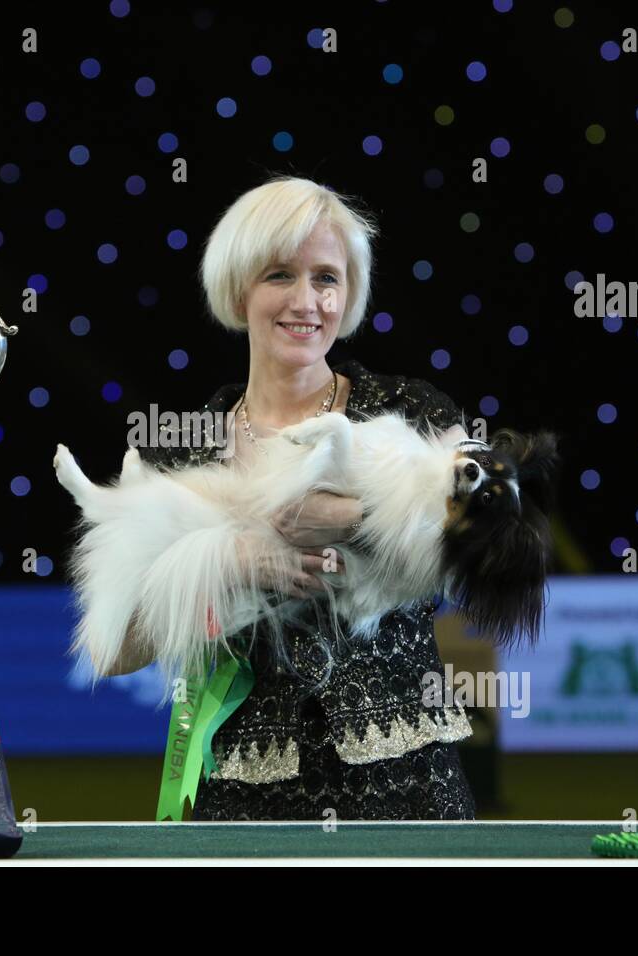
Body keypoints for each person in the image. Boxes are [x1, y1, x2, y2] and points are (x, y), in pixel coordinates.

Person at [110, 175, 476, 821]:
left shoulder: (414, 413)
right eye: (280, 274)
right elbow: (120, 649)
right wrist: (226, 564)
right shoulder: (180, 451)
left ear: (350, 293)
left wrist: (354, 520)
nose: (306, 301)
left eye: (327, 278)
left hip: (406, 796)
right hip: (238, 803)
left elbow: (479, 553)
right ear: (238, 287)